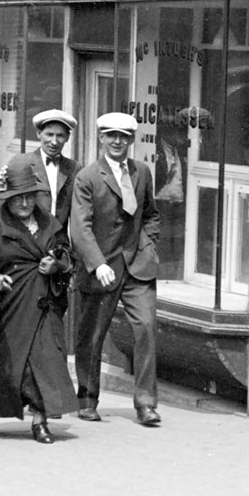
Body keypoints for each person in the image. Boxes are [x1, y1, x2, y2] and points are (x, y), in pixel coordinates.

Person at [0, 159, 76, 443]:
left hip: (43, 305)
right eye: (19, 198)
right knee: (2, 365)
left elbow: (66, 256)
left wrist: (56, 266)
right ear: (8, 199)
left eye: (31, 196)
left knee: (44, 362)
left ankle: (40, 422)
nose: (26, 203)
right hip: (8, 308)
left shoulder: (49, 223)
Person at [67, 111, 161, 425]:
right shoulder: (88, 177)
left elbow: (150, 214)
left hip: (138, 267)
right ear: (101, 138)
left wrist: (149, 245)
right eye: (111, 136)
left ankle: (146, 404)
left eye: (124, 136)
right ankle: (87, 400)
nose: (118, 141)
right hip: (102, 268)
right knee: (92, 336)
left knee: (146, 328)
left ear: (132, 139)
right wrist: (96, 264)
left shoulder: (143, 172)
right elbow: (80, 228)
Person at [11, 110, 78, 222]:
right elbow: (3, 210)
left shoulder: (74, 169)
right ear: (38, 133)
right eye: (49, 134)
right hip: (27, 237)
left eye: (60, 136)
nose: (54, 142)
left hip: (59, 239)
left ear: (67, 137)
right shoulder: (21, 162)